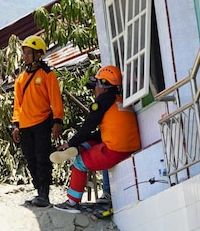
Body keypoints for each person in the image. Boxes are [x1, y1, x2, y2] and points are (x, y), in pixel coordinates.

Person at [51, 65, 141, 213]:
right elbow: (101, 133)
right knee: (92, 142)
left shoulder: (103, 101)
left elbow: (88, 125)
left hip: (115, 150)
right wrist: (79, 144)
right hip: (129, 148)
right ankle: (81, 149)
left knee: (79, 163)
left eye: (95, 87)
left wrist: (70, 143)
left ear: (103, 86)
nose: (94, 91)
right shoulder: (119, 101)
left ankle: (72, 203)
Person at [12, 35, 64, 207]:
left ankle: (44, 193)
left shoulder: (48, 75)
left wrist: (58, 121)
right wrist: (16, 125)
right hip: (25, 126)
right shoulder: (20, 79)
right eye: (25, 53)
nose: (25, 56)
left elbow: (55, 100)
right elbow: (17, 105)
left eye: (29, 53)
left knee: (43, 158)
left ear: (38, 54)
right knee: (31, 159)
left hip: (42, 123)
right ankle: (38, 191)